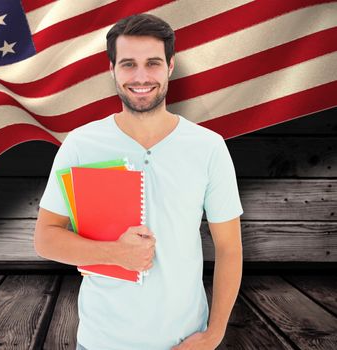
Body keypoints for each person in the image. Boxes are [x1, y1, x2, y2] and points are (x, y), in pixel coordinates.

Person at [34, 13, 243, 350]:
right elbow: (45, 239)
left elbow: (230, 248)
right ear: (112, 70)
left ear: (171, 66)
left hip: (185, 340)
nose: (141, 76)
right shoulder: (81, 144)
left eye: (153, 63)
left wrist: (213, 334)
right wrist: (115, 253)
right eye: (128, 64)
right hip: (100, 342)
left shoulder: (209, 147)